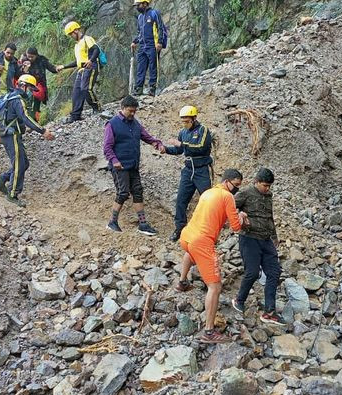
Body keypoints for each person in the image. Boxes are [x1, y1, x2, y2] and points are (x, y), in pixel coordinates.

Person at [177, 169, 247, 344]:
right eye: (236, 185)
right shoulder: (227, 197)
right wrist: (242, 217)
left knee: (190, 253)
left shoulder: (208, 192)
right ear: (227, 181)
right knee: (215, 287)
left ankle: (182, 282)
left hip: (187, 236)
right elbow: (236, 227)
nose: (236, 189)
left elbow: (213, 217)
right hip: (202, 242)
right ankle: (209, 332)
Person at [102, 94, 165, 235]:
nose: (132, 113)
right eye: (130, 111)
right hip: (120, 166)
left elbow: (147, 137)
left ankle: (143, 224)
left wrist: (157, 143)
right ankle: (112, 222)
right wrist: (114, 160)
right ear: (122, 108)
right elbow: (107, 147)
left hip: (133, 165)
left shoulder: (135, 124)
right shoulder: (112, 124)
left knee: (137, 191)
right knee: (123, 192)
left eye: (134, 111)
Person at [233, 168, 286, 327]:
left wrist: (274, 237)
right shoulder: (246, 193)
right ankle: (239, 300)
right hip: (249, 238)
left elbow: (269, 216)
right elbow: (227, 207)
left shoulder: (268, 196)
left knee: (274, 272)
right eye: (264, 185)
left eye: (269, 186)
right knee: (253, 272)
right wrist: (239, 215)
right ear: (256, 182)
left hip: (266, 239)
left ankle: (270, 311)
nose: (267, 188)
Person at [0, 74, 55, 205]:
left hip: (11, 134)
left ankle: (1, 180)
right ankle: (12, 194)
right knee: (19, 164)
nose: (32, 93)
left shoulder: (10, 96)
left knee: (24, 163)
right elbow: (25, 118)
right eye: (31, 89)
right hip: (11, 134)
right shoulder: (17, 99)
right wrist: (42, 131)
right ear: (23, 86)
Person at [165, 105, 214, 241]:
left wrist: (181, 145)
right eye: (183, 121)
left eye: (187, 121)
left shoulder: (203, 130)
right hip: (188, 170)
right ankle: (180, 229)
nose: (185, 124)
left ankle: (209, 230)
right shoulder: (183, 132)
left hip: (201, 169)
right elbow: (179, 151)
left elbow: (200, 147)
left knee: (207, 200)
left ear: (194, 118)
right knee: (181, 200)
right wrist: (166, 149)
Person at [59, 21, 102, 122]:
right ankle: (75, 115)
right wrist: (64, 66)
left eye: (71, 34)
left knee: (86, 88)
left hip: (91, 66)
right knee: (76, 92)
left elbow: (96, 50)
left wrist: (90, 60)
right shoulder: (77, 45)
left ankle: (97, 107)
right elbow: (77, 61)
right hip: (81, 69)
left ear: (76, 30)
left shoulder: (87, 39)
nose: (71, 36)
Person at [131, 0, 168, 97]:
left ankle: (152, 88)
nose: (137, 7)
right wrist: (135, 41)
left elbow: (160, 27)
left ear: (144, 4)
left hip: (153, 45)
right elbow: (139, 32)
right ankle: (138, 89)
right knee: (140, 67)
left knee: (153, 67)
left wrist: (160, 42)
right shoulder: (140, 17)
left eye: (138, 5)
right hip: (142, 46)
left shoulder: (154, 13)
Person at [19, 47, 58, 122]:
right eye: (28, 56)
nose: (30, 58)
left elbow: (51, 68)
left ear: (36, 55)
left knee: (37, 105)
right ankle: (27, 122)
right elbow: (20, 74)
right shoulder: (24, 60)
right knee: (26, 104)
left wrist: (56, 69)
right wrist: (25, 68)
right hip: (27, 85)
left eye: (32, 57)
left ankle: (36, 121)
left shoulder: (42, 60)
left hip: (39, 86)